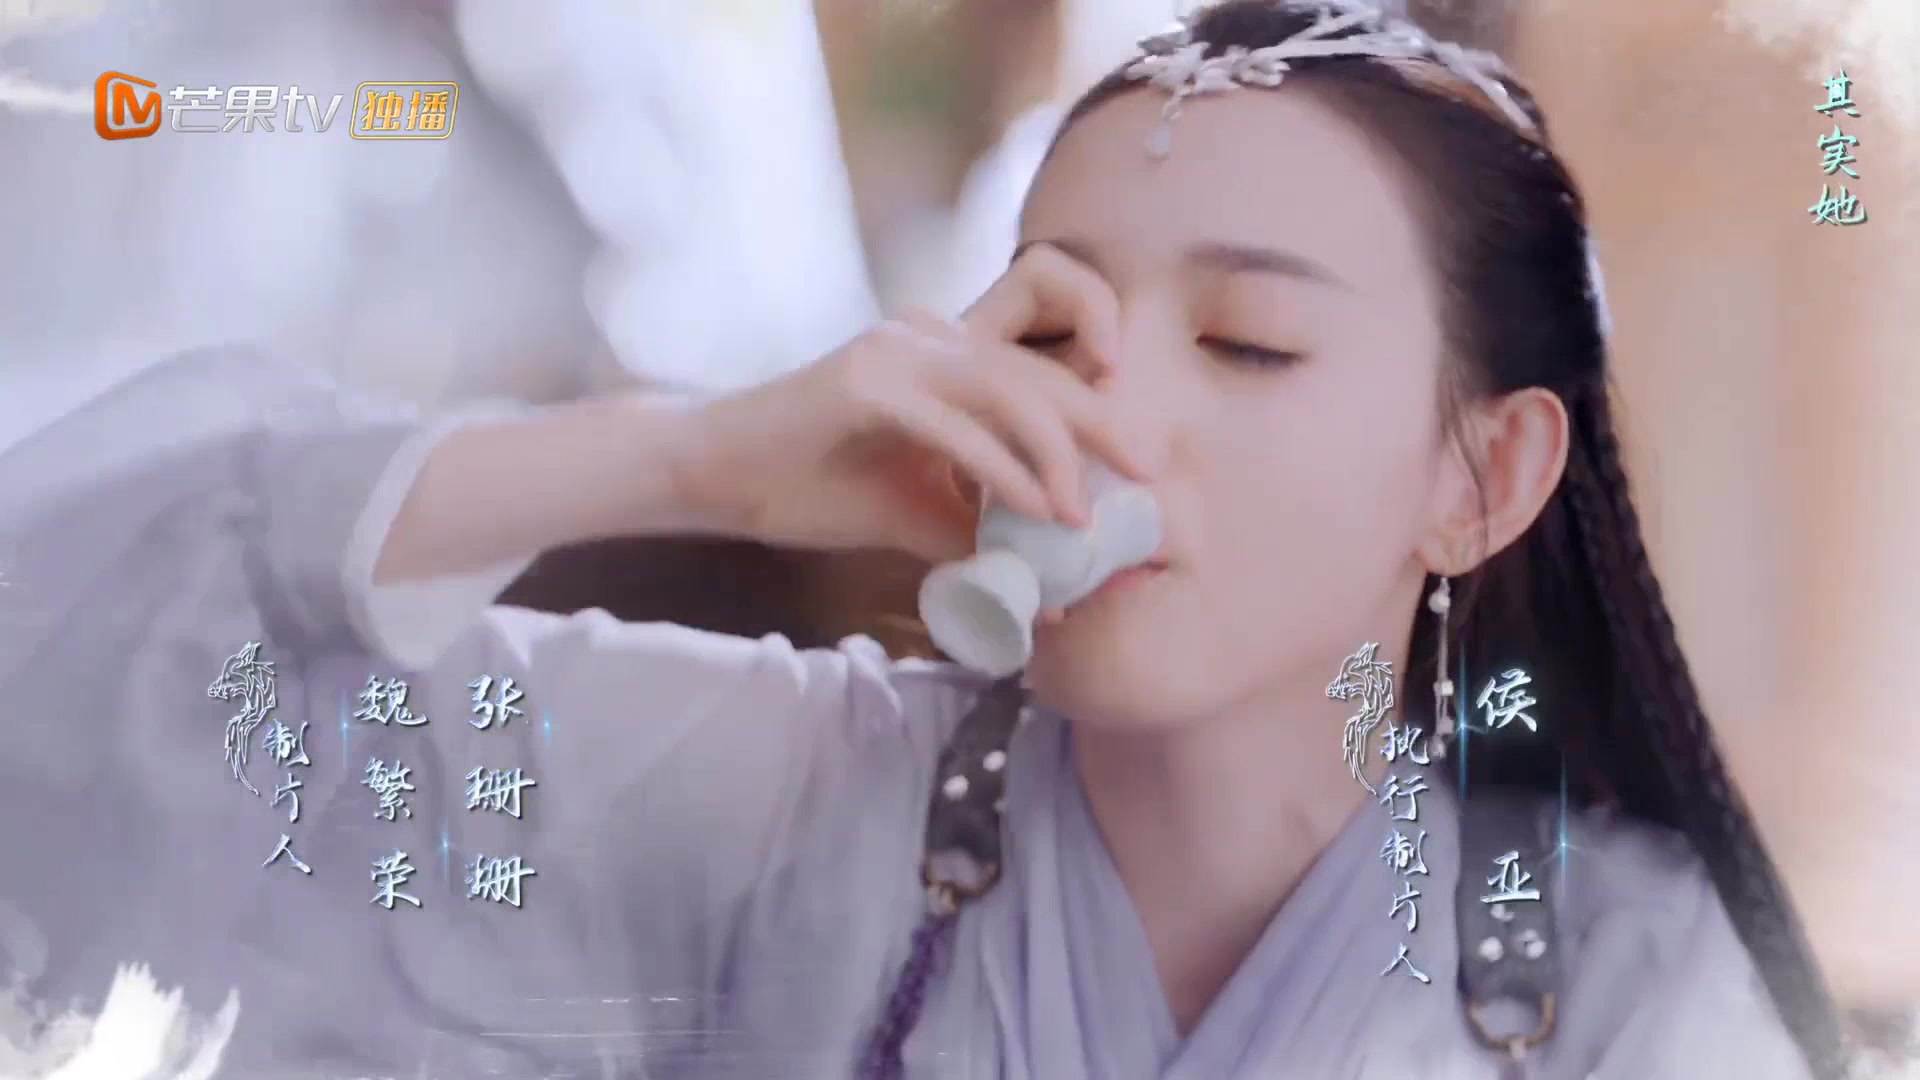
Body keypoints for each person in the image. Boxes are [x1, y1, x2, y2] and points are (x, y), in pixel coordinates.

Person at [0, 1, 1854, 1077]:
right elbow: (77, 679)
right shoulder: (791, 807)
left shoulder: (1628, 996)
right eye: (1051, 328)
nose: (1112, 412)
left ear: (1484, 477)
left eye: (1247, 341)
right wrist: (694, 461)